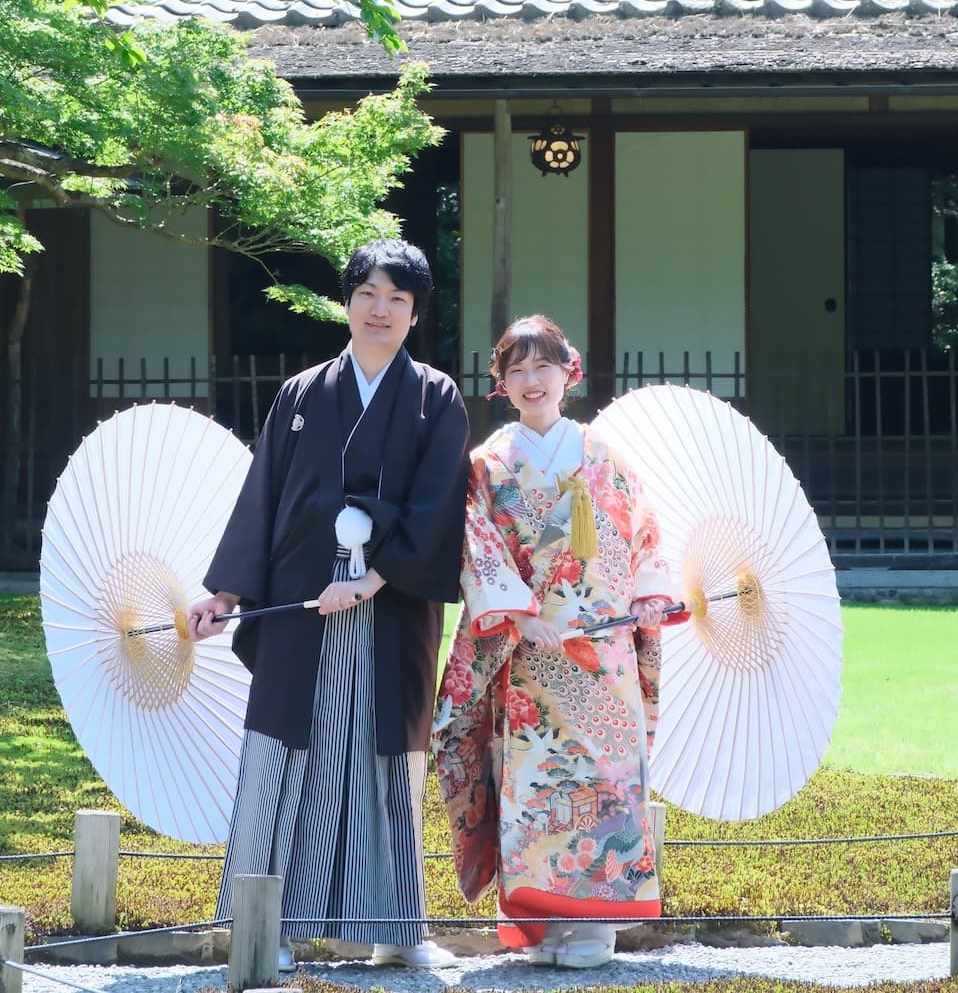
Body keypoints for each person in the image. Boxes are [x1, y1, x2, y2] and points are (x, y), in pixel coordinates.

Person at [189, 239, 469, 968]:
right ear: (346, 301)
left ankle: (396, 933)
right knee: (284, 755)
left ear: (415, 315)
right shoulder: (303, 393)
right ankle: (267, 928)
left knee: (387, 763)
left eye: (397, 299)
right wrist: (225, 592)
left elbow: (439, 505)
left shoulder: (435, 398)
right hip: (301, 601)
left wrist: (372, 578)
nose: (380, 310)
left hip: (393, 605)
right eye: (368, 294)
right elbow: (264, 496)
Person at [432, 316, 679, 970]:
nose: (531, 380)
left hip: (601, 651)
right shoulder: (486, 467)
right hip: (531, 653)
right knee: (537, 783)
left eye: (543, 366)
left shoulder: (606, 457)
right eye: (516, 370)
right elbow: (477, 547)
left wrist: (643, 598)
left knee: (604, 781)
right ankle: (545, 923)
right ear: (501, 385)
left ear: (569, 373)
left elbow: (644, 537)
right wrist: (516, 616)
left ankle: (596, 930)